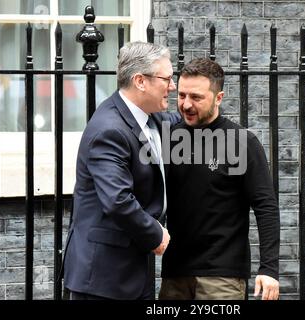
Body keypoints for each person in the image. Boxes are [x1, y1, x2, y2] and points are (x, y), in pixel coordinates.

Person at [63, 41, 180, 300]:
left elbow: (181, 121)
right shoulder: (109, 129)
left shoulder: (150, 117)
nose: (173, 87)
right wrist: (156, 233)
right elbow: (117, 200)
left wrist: (205, 108)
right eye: (167, 79)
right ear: (140, 81)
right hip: (102, 279)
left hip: (131, 273)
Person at [159, 58, 280, 300]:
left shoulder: (242, 142)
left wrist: (269, 269)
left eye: (196, 97)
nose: (186, 104)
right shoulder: (168, 138)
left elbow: (265, 206)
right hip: (174, 274)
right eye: (181, 95)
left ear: (219, 97)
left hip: (222, 277)